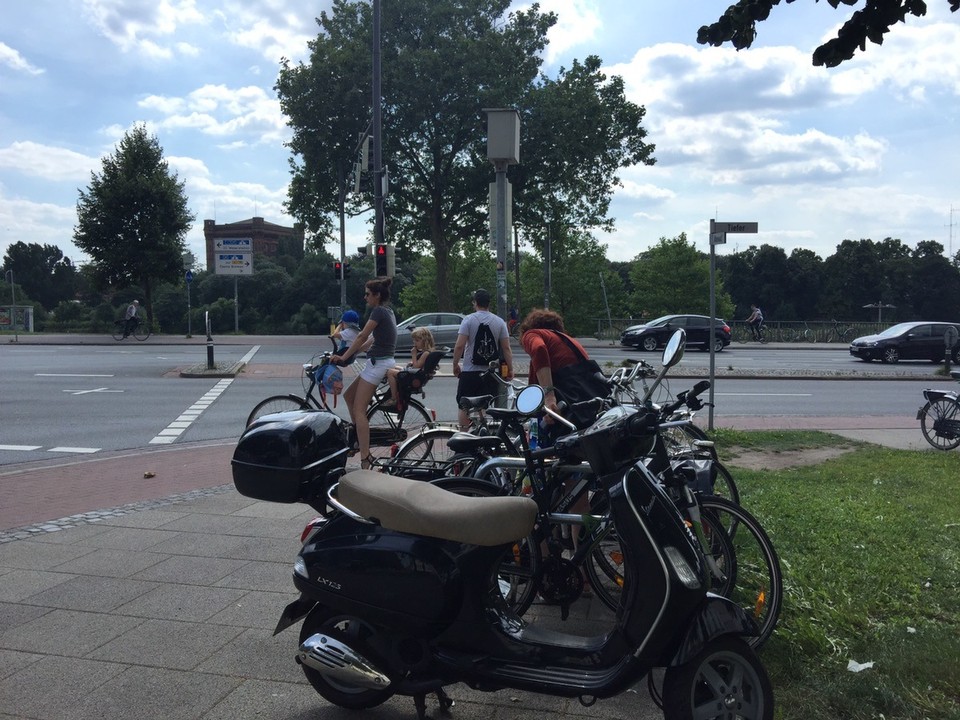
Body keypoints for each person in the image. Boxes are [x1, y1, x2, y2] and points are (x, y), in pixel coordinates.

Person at [331, 277, 397, 469]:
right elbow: (372, 340)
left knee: (359, 411)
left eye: (368, 294)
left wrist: (343, 358)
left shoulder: (378, 312)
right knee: (349, 396)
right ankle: (360, 437)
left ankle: (366, 457)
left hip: (378, 365)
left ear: (377, 295)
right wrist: (353, 353)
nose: (365, 297)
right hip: (378, 362)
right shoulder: (388, 311)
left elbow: (362, 336)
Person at [518, 308, 598, 426]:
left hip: (564, 401)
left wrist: (549, 396)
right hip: (584, 402)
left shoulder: (532, 334)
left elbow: (539, 348)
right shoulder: (567, 340)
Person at [451, 288, 514, 430]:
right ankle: (482, 433)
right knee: (483, 404)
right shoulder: (500, 322)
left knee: (463, 405)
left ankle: (464, 434)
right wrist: (510, 368)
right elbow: (506, 348)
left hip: (469, 371)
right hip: (489, 373)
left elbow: (459, 346)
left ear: (475, 303)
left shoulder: (468, 320)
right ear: (489, 303)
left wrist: (455, 365)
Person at [384, 327, 435, 407]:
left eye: (417, 341)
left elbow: (416, 367)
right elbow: (418, 364)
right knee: (393, 367)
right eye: (414, 340)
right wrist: (412, 362)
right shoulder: (426, 352)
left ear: (425, 341)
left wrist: (413, 355)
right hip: (413, 373)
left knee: (390, 372)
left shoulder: (426, 353)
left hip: (413, 376)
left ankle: (394, 398)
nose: (414, 343)